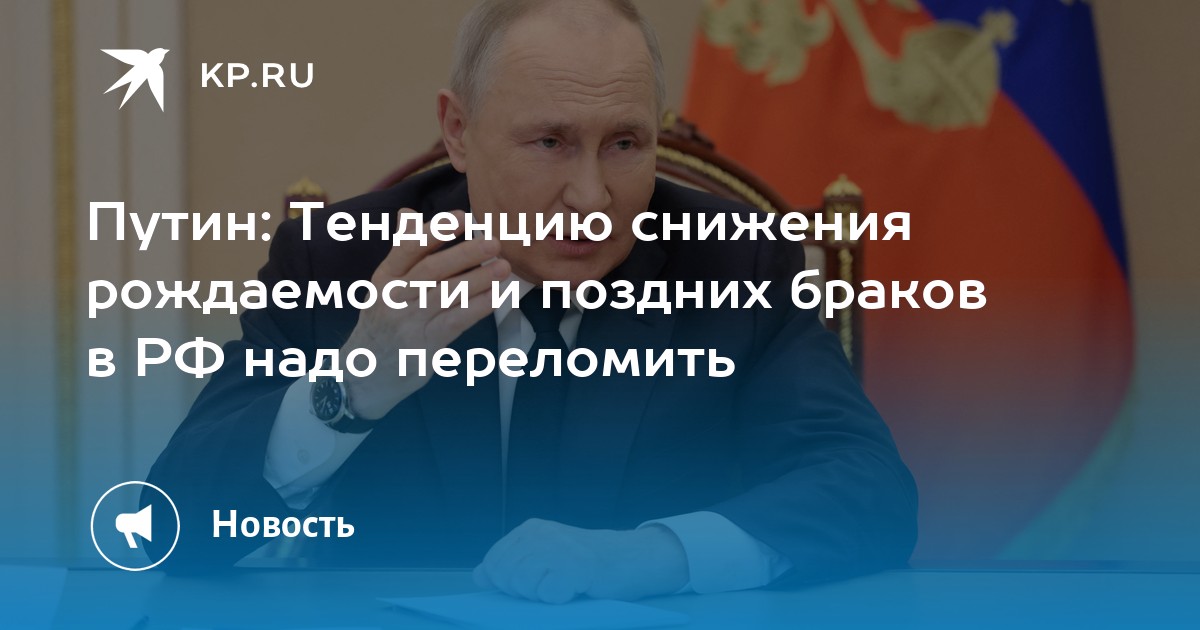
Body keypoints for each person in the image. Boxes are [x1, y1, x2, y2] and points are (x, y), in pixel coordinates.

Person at [146, 0, 916, 603]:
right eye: (549, 143)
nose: (591, 198)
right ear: (458, 131)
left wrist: (650, 555)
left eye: (624, 144)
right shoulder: (340, 259)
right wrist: (349, 391)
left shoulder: (733, 259)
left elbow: (868, 490)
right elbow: (166, 528)